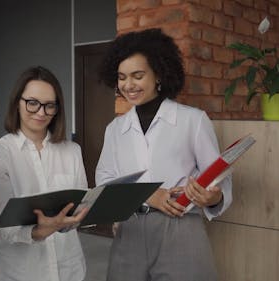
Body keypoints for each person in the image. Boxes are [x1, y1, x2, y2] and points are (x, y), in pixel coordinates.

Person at [96, 28, 232, 281]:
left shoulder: (193, 120)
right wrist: (149, 195)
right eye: (122, 77)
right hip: (131, 229)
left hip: (180, 227)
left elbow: (218, 179)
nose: (128, 85)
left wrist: (212, 197)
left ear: (158, 74)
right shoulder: (115, 129)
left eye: (138, 75)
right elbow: (104, 182)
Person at [0, 66, 88, 281]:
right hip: (20, 272)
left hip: (68, 269)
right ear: (17, 103)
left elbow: (81, 206)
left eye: (49, 105)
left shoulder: (72, 151)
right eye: (32, 103)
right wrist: (38, 232)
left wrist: (75, 219)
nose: (41, 113)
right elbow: (2, 223)